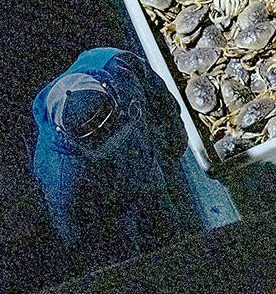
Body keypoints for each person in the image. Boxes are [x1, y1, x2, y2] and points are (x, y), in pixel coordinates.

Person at [31, 48, 187, 260]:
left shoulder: (117, 63)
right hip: (105, 203)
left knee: (166, 227)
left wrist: (174, 146)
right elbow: (73, 231)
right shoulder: (59, 176)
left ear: (110, 90)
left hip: (145, 168)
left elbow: (162, 101)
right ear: (66, 136)